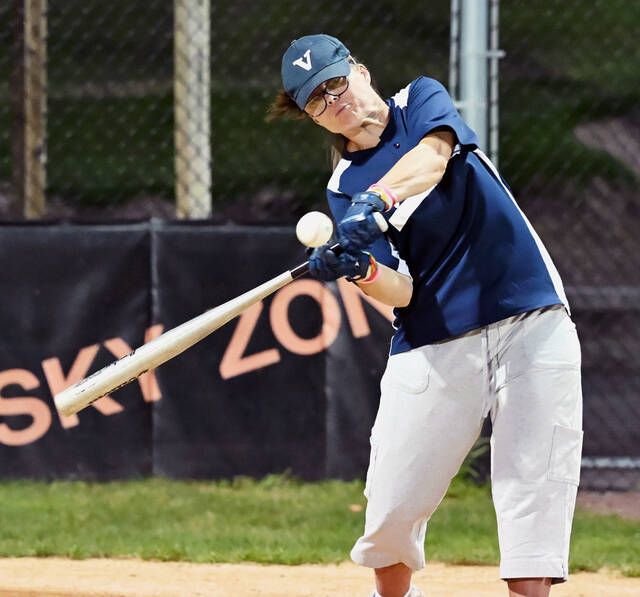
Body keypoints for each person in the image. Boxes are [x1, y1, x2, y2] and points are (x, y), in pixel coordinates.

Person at [270, 34, 583, 597]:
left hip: (528, 311)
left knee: (533, 484)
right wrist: (359, 269)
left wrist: (380, 200)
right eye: (316, 100)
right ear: (312, 118)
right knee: (392, 498)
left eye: (336, 82)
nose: (333, 101)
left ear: (361, 71)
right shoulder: (343, 188)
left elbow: (435, 157)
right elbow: (402, 293)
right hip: (434, 338)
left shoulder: (420, 102)